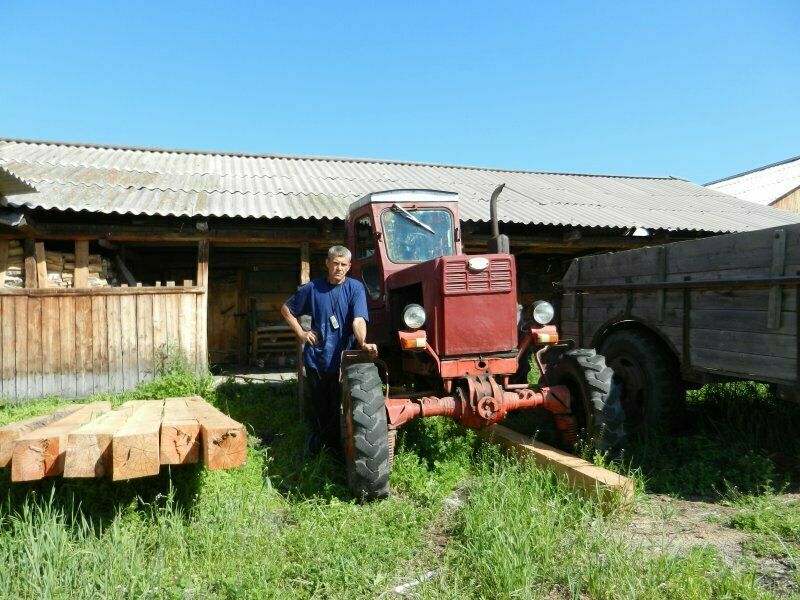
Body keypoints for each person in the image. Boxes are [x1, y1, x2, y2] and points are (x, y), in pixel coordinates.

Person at [281, 245, 378, 454]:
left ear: (349, 266)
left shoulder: (355, 288)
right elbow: (286, 309)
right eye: (335, 263)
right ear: (327, 263)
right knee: (320, 407)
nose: (339, 268)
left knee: (339, 406)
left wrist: (363, 343)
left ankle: (333, 449)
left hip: (343, 360)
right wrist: (301, 333)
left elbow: (358, 320)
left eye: (343, 265)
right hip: (317, 358)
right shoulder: (313, 288)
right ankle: (320, 449)